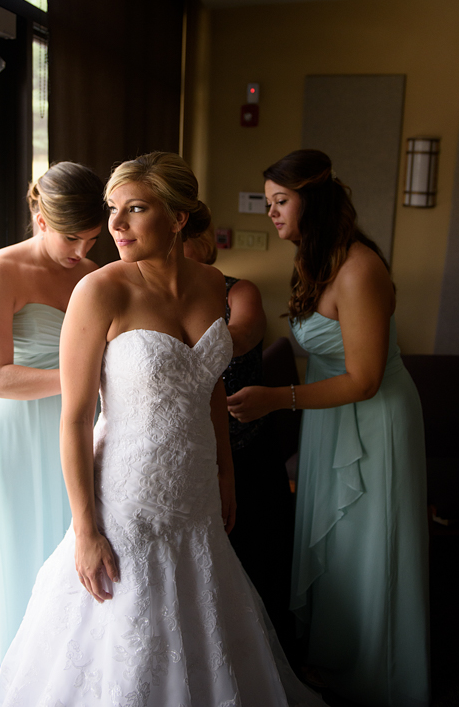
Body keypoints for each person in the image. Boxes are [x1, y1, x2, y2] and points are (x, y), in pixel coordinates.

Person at [0, 151, 326, 707]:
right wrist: (85, 530)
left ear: (177, 218)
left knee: (205, 625)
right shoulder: (99, 291)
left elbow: (210, 387)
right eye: (112, 210)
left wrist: (225, 469)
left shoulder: (212, 282)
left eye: (135, 209)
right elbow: (75, 419)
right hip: (127, 497)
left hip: (196, 491)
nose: (116, 226)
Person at [227, 149, 430, 707]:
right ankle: (337, 653)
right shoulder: (313, 260)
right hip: (328, 414)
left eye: (280, 201)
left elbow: (364, 378)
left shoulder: (360, 266)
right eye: (268, 203)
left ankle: (376, 668)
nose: (270, 213)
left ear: (312, 200)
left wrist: (277, 399)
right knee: (337, 543)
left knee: (369, 543)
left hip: (372, 417)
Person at [0, 161, 105, 670]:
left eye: (92, 239)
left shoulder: (93, 278)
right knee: (23, 548)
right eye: (72, 238)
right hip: (16, 434)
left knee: (70, 549)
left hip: (75, 431)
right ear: (41, 219)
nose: (82, 252)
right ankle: (17, 674)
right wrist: (86, 381)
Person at [184, 226, 295, 651]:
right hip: (190, 451)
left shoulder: (237, 291)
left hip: (245, 447)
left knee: (255, 555)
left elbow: (244, 335)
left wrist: (169, 340)